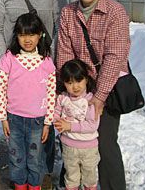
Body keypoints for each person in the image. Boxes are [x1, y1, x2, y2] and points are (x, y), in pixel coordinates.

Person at [0, 0, 67, 182]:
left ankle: (41, 174)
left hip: (45, 66)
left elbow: (61, 26)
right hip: (17, 69)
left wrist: (50, 61)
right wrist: (9, 61)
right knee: (18, 124)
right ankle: (20, 175)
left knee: (44, 120)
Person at [56, 0, 130, 190]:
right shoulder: (69, 13)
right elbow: (65, 54)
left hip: (108, 88)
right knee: (71, 139)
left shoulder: (114, 11)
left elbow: (115, 55)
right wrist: (69, 88)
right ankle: (70, 184)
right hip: (78, 87)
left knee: (105, 143)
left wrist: (98, 97)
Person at [0, 13, 56, 190]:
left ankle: (34, 185)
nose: (27, 40)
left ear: (40, 35)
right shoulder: (8, 60)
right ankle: (20, 185)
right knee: (16, 156)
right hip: (14, 119)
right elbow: (1, 90)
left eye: (31, 34)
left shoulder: (46, 62)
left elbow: (51, 94)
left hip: (38, 120)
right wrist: (3, 118)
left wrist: (47, 122)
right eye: (22, 35)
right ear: (16, 36)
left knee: (35, 157)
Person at [54, 59, 100, 190]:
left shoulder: (90, 101)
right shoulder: (63, 98)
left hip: (89, 148)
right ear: (64, 83)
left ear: (86, 79)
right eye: (70, 83)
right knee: (71, 177)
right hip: (69, 146)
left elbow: (92, 125)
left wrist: (69, 126)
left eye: (79, 81)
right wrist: (56, 121)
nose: (75, 86)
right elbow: (56, 113)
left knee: (89, 177)